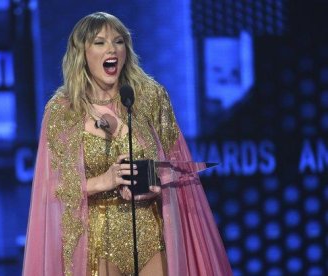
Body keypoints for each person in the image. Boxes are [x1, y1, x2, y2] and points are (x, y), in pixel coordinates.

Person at [22, 11, 232, 276]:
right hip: (96, 240)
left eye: (118, 41)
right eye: (100, 42)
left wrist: (157, 187)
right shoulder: (63, 111)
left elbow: (178, 168)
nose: (111, 49)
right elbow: (52, 186)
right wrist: (103, 181)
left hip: (151, 233)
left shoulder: (150, 96)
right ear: (82, 53)